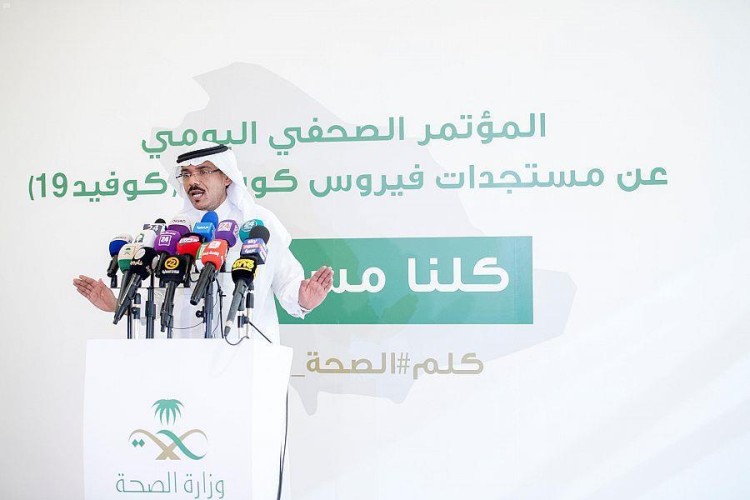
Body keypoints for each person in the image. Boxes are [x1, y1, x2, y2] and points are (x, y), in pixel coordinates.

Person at [73, 142, 332, 341]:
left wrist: (303, 299)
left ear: (227, 176)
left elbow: (288, 283)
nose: (193, 181)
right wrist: (119, 305)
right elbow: (163, 297)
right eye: (186, 174)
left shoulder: (257, 222)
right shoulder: (177, 229)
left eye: (203, 171)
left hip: (245, 354)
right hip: (187, 359)